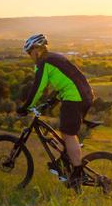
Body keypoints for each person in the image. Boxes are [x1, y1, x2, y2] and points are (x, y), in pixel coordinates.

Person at [17, 34, 94, 188]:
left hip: (74, 98)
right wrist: (53, 100)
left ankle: (77, 172)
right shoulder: (55, 57)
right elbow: (68, 81)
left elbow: (37, 88)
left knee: (68, 134)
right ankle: (65, 163)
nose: (30, 56)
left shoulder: (43, 63)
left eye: (29, 52)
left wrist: (25, 107)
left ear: (36, 50)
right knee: (67, 132)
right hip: (85, 95)